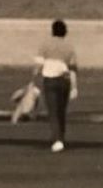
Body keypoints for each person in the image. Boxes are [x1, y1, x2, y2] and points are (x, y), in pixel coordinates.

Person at [34, 19, 79, 152]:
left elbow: (38, 66)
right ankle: (60, 137)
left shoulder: (45, 45)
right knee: (61, 111)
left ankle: (57, 139)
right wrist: (74, 87)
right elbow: (73, 69)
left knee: (53, 112)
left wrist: (34, 81)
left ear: (52, 31)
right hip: (65, 81)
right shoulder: (69, 47)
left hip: (50, 80)